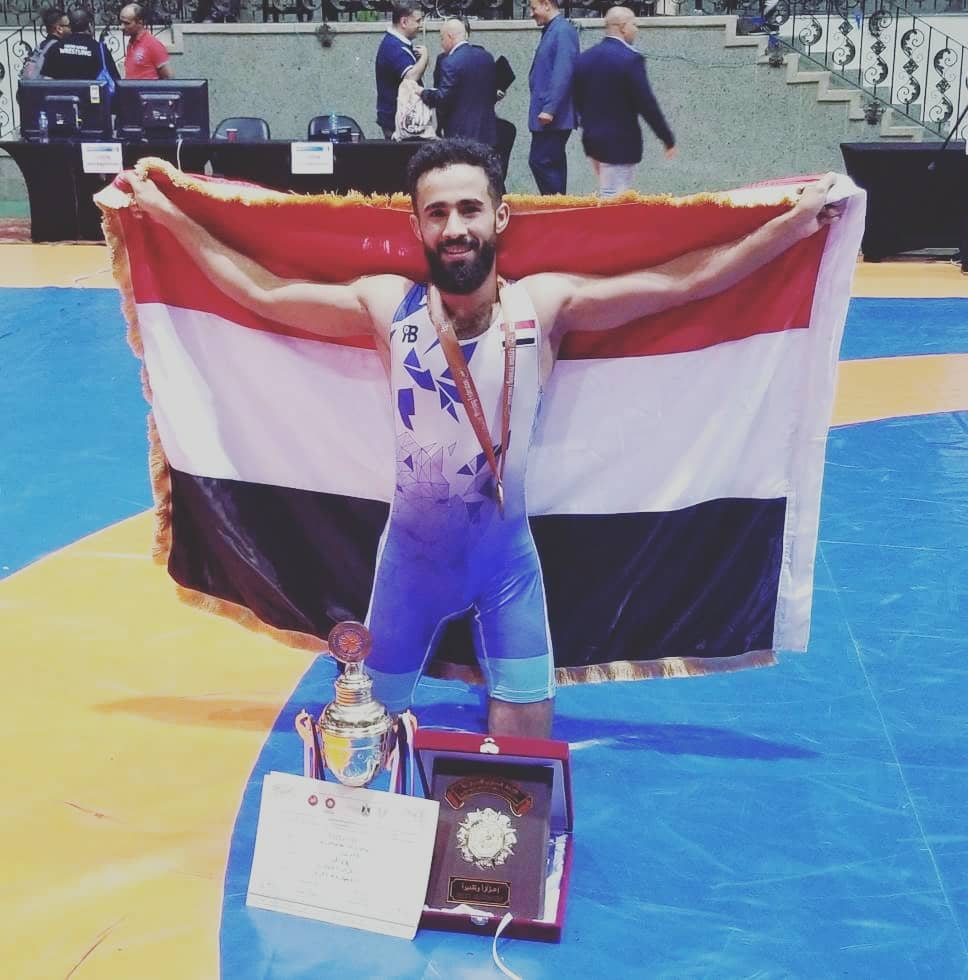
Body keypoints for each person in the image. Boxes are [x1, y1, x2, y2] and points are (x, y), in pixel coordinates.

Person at [124, 138, 843, 738]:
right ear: (416, 225)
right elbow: (262, 292)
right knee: (366, 740)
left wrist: (787, 230)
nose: (454, 227)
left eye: (469, 208)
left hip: (507, 570)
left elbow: (681, 284)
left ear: (499, 216)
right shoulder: (388, 305)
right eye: (436, 213)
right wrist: (166, 216)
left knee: (524, 761)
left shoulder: (545, 306)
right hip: (408, 568)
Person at [573, 6, 675, 198]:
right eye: (634, 24)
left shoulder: (585, 59)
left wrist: (588, 124)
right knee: (615, 196)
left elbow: (577, 97)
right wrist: (666, 138)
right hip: (620, 142)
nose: (636, 29)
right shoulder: (630, 59)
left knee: (608, 190)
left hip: (592, 139)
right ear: (622, 27)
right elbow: (646, 103)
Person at [528, 0, 579, 195]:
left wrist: (550, 108)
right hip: (551, 114)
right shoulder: (555, 30)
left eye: (534, 8)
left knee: (541, 161)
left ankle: (556, 204)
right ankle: (558, 205)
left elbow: (563, 72)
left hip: (553, 116)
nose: (531, 13)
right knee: (551, 163)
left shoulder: (562, 31)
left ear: (547, 4)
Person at [421, 19, 498, 147]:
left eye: (442, 38)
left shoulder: (450, 62)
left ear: (450, 37)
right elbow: (492, 93)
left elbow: (443, 98)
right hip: (487, 133)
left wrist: (423, 93)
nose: (441, 44)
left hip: (461, 136)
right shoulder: (487, 57)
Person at [375, 2, 428, 140]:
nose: (420, 25)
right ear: (404, 22)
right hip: (398, 122)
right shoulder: (394, 47)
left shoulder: (396, 43)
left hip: (400, 119)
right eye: (417, 21)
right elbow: (411, 77)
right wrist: (425, 58)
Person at [43, 9, 120, 84]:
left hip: (62, 92)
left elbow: (47, 80)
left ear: (70, 26)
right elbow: (115, 79)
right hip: (91, 92)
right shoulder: (99, 49)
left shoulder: (55, 47)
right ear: (89, 25)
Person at [120, 3, 173, 80]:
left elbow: (169, 78)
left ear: (140, 22)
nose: (121, 27)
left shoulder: (152, 44)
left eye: (127, 23)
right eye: (121, 22)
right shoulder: (131, 43)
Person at [21, 7, 70, 80]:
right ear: (59, 29)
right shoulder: (56, 47)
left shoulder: (42, 45)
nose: (71, 28)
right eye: (69, 26)